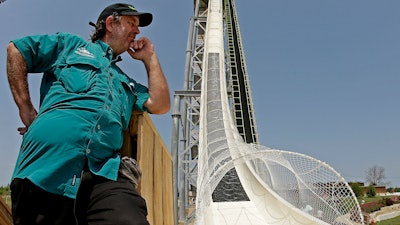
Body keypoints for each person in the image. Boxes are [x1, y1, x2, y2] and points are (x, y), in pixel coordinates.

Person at [6, 2, 170, 225]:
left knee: (131, 219)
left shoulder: (126, 82)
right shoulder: (70, 46)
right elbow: (17, 50)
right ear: (111, 23)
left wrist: (150, 58)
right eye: (132, 23)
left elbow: (160, 104)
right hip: (45, 169)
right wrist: (26, 109)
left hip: (103, 174)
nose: (137, 31)